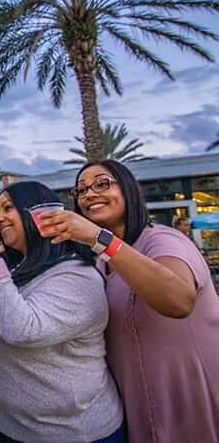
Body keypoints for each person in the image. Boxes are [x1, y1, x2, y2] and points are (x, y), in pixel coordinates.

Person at [39, 160, 219, 441]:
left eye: (102, 184)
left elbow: (179, 301)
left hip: (192, 393)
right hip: (137, 403)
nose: (89, 194)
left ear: (128, 190)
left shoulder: (163, 240)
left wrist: (100, 239)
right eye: (82, 190)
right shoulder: (98, 262)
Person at [0, 181, 124, 442]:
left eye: (9, 208)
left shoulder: (77, 275)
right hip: (7, 427)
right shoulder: (11, 268)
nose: (0, 218)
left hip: (73, 432)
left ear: (39, 213)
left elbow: (21, 329)